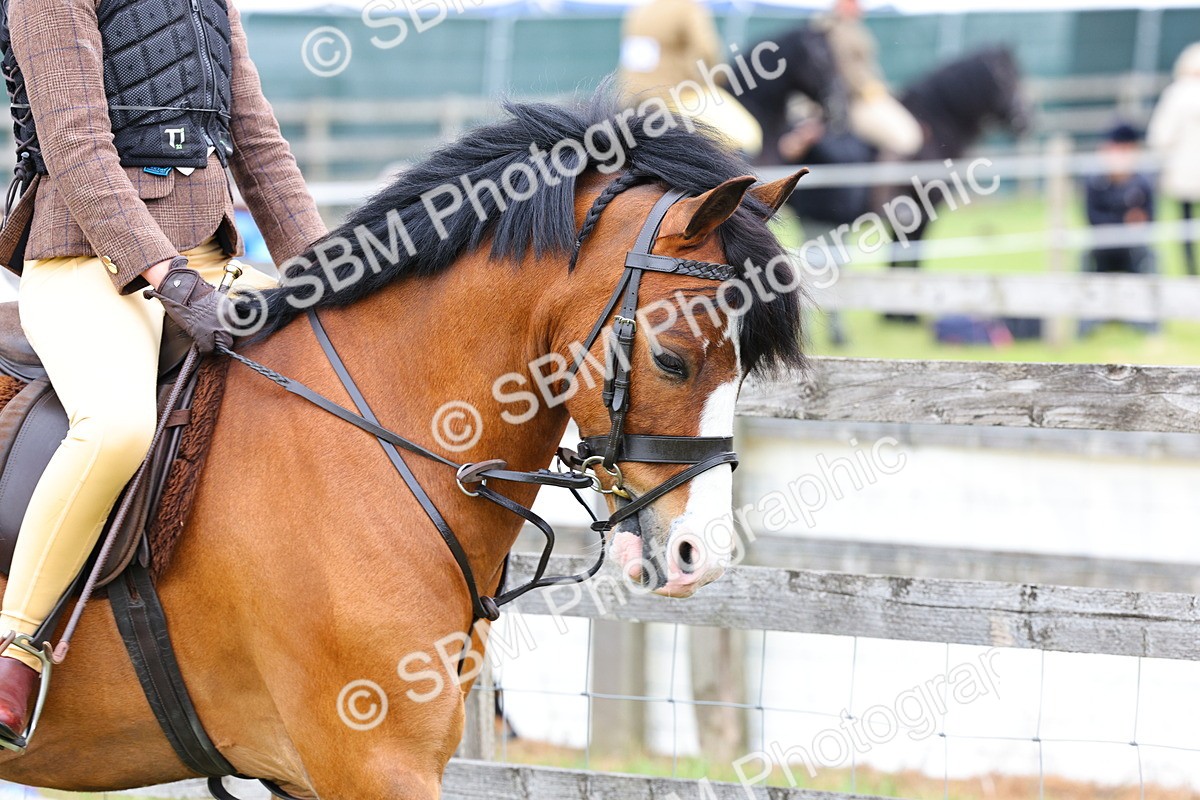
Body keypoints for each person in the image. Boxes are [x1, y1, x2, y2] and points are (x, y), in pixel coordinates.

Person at [0, 0, 327, 744]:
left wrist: (331, 276)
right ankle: (15, 644)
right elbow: (77, 148)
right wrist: (171, 281)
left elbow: (259, 144)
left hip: (212, 263)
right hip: (88, 257)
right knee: (115, 427)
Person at [618, 0, 762, 156]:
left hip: (636, 100)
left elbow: (629, 61)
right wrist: (717, 78)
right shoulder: (686, 7)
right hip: (678, 96)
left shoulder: (638, 12)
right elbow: (706, 50)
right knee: (748, 136)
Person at [812, 0, 923, 158]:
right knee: (904, 139)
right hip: (850, 103)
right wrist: (866, 90)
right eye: (852, 3)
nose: (858, 7)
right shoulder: (831, 31)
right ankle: (884, 182)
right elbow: (843, 72)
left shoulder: (850, 29)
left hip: (865, 97)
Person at [1080, 122, 1158, 335]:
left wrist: (1135, 225)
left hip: (1133, 247)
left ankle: (1149, 324)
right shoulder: (1094, 182)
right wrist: (1125, 222)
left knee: (1149, 258)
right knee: (1086, 260)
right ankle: (1086, 324)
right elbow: (1092, 218)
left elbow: (1150, 219)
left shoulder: (1143, 183)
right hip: (1102, 248)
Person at [1147, 42, 1200, 276]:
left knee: (1186, 226)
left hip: (1184, 175)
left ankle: (1191, 272)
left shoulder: (1176, 94)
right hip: (1187, 172)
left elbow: (1160, 136)